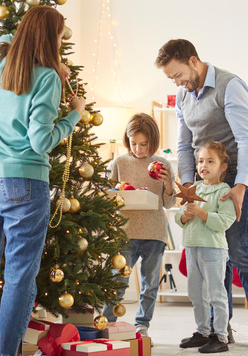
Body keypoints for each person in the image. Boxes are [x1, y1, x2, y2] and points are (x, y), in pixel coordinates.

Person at [0, 6, 87, 356]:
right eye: (59, 36)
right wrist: (75, 113)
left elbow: (5, 37)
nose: (61, 42)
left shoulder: (0, 59)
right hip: (23, 184)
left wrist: (52, 63)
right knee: (18, 276)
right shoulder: (46, 78)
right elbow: (41, 141)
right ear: (51, 38)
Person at [154, 39, 248, 351]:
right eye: (172, 79)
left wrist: (241, 185)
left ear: (193, 61)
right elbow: (184, 144)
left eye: (178, 75)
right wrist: (186, 184)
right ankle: (218, 329)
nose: (177, 83)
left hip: (235, 174)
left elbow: (247, 140)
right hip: (202, 177)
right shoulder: (184, 95)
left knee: (238, 249)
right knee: (210, 251)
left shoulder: (229, 86)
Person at [101, 113, 176, 337]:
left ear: (153, 142)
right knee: (117, 280)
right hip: (125, 232)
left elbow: (169, 203)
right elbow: (108, 195)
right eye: (134, 143)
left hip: (154, 232)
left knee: (150, 283)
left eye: (144, 144)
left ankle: (142, 324)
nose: (139, 149)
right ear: (127, 140)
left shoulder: (162, 164)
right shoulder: (120, 163)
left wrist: (168, 184)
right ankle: (107, 323)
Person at [176, 142, 236, 353]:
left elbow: (226, 221)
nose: (204, 165)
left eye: (210, 161)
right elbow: (178, 217)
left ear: (222, 167)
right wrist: (185, 215)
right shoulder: (193, 189)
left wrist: (201, 213)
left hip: (213, 250)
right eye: (201, 161)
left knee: (216, 294)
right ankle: (202, 332)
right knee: (196, 293)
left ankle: (220, 337)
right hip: (192, 247)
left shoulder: (224, 191)